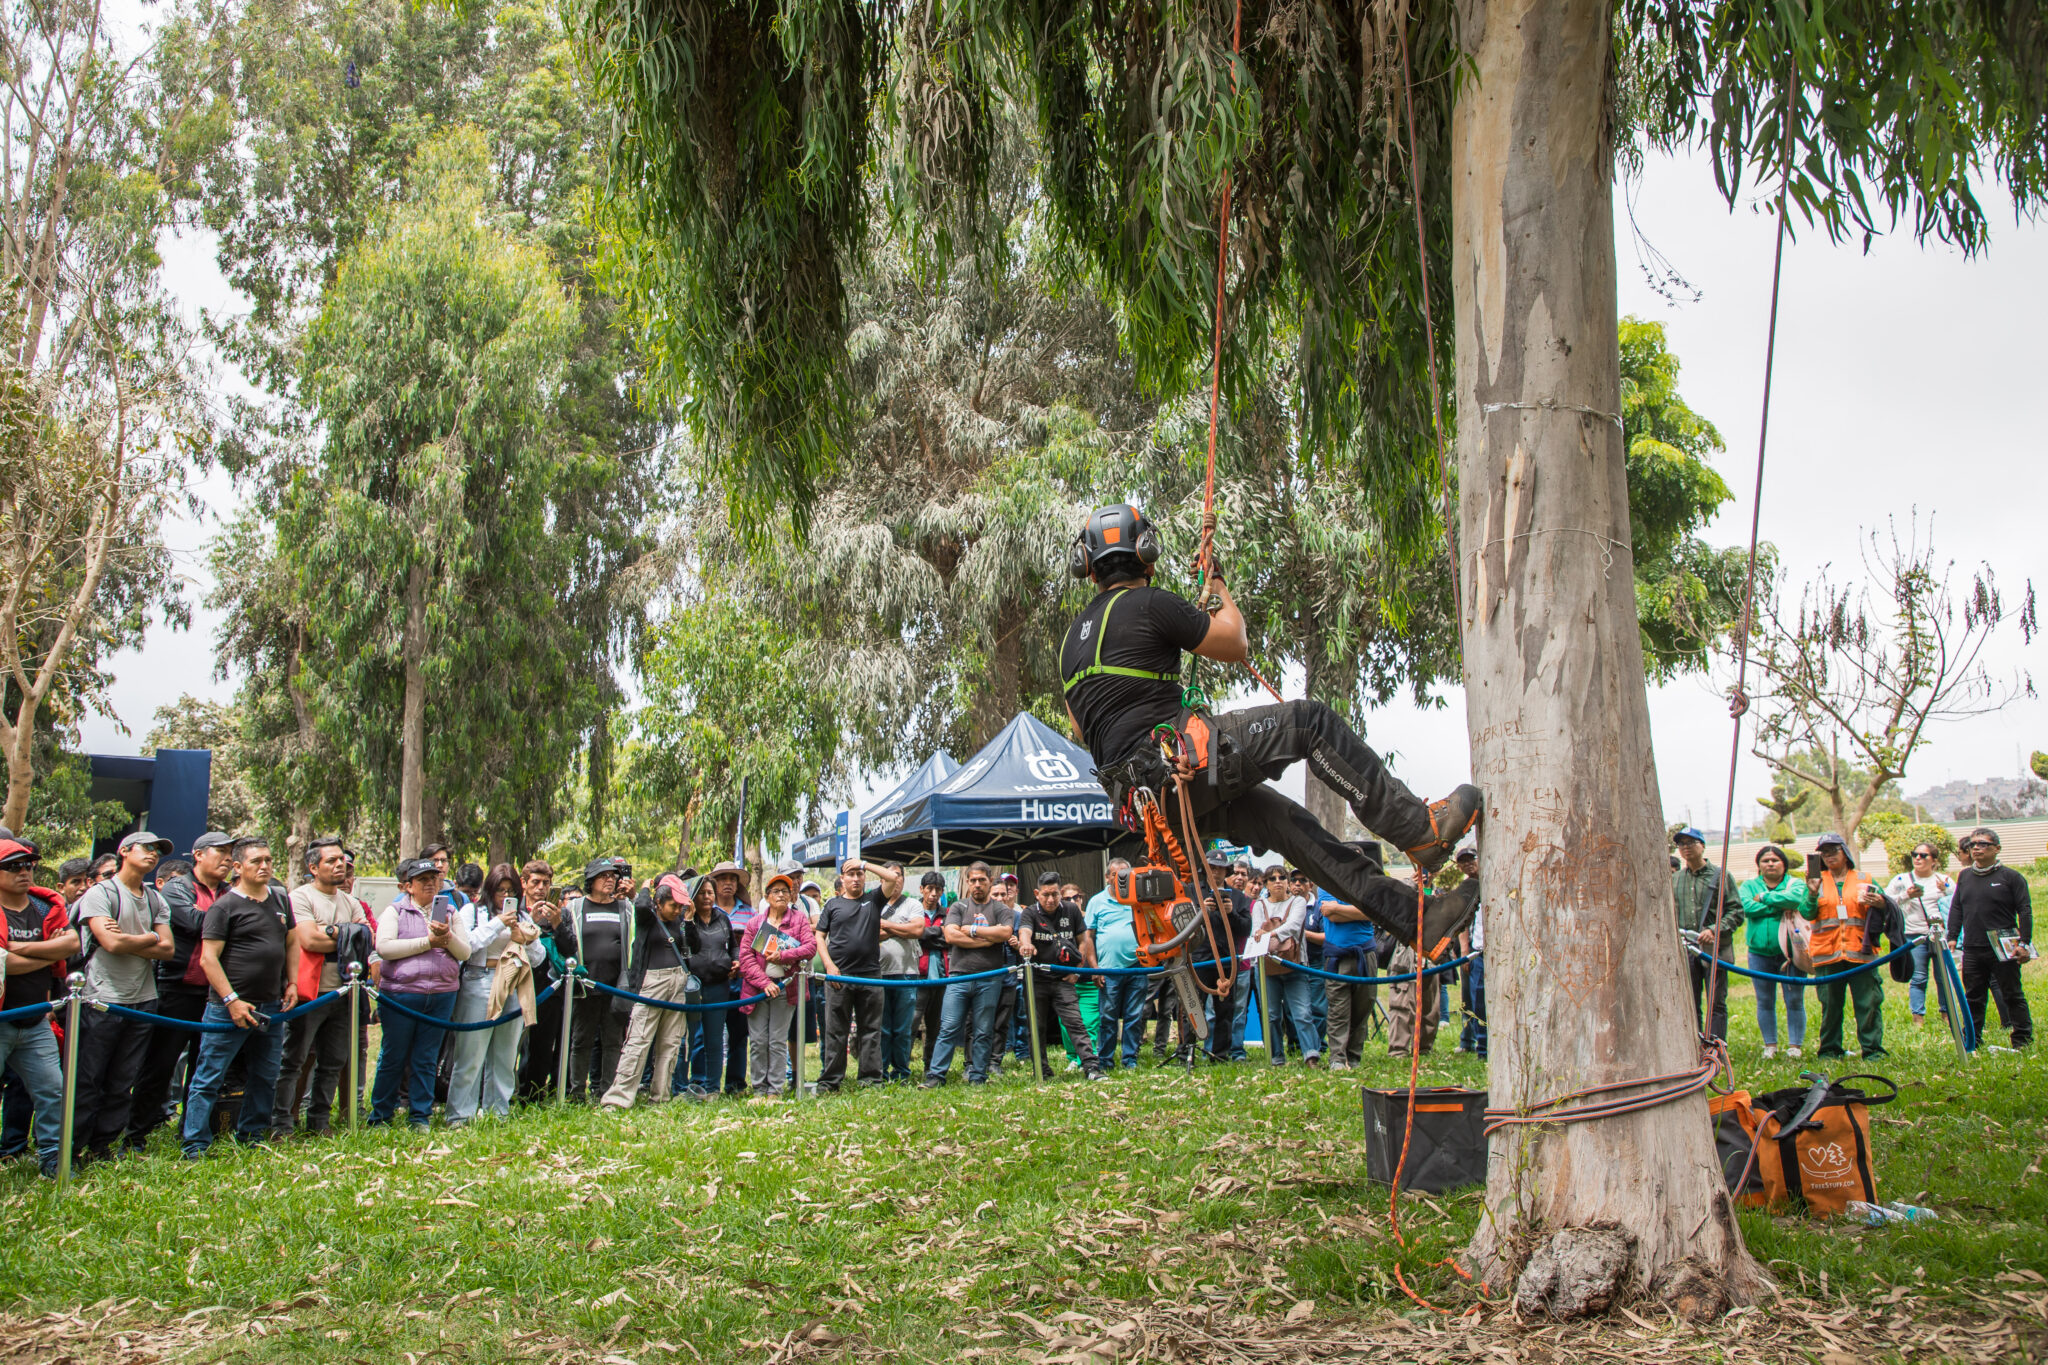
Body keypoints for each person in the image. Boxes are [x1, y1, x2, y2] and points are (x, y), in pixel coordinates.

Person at [1058, 503, 1482, 960]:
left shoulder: (1068, 646)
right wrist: (1216, 583)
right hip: (1183, 768)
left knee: (1291, 828)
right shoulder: (1152, 604)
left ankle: (1420, 921)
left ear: (1088, 565)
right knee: (1309, 721)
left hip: (1153, 807)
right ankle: (1419, 828)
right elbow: (1234, 641)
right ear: (1147, 551)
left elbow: (1085, 727)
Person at [181, 838, 301, 1158]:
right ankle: (195, 1144)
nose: (264, 866)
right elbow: (209, 959)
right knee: (209, 1076)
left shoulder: (279, 899)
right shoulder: (224, 907)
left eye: (268, 860)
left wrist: (292, 982)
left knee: (265, 1076)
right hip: (227, 1007)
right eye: (255, 861)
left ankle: (252, 1135)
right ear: (238, 867)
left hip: (270, 1006)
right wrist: (231, 1000)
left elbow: (291, 942)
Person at [70, 831, 175, 1162]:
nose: (154, 854)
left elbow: (168, 949)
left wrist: (133, 938)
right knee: (87, 1080)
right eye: (147, 847)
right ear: (124, 852)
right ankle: (69, 1149)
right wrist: (148, 939)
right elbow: (110, 944)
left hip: (143, 1001)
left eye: (158, 850)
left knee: (121, 1081)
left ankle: (102, 1147)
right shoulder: (101, 893)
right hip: (100, 998)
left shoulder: (156, 899)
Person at [130, 831, 235, 1150]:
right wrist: (236, 923)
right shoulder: (178, 887)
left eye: (231, 853)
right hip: (177, 989)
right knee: (160, 1066)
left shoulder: (230, 892)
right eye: (221, 851)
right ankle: (136, 1135)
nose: (228, 858)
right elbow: (192, 922)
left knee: (204, 1069)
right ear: (199, 854)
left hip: (216, 994)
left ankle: (191, 1132)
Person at [273, 838, 370, 1136]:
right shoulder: (300, 898)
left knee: (333, 1060)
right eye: (331, 860)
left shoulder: (351, 902)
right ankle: (282, 1124)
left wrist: (331, 932)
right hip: (309, 993)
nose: (339, 864)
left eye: (342, 859)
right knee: (294, 1060)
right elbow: (308, 941)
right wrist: (346, 934)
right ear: (313, 867)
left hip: (344, 993)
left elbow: (366, 939)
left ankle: (319, 1122)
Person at [369, 857, 472, 1127]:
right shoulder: (396, 911)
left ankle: (420, 1115)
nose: (430, 884)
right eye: (423, 880)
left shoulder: (450, 911)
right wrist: (427, 943)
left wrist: (447, 937)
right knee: (393, 1055)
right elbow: (385, 947)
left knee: (426, 1058)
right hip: (401, 995)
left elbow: (465, 952)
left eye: (434, 879)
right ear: (408, 886)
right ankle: (380, 1114)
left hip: (441, 994)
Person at [0, 838, 78, 1177]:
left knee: (54, 1093)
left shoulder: (46, 906)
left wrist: (17, 949)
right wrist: (48, 950)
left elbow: (72, 944)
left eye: (28, 864)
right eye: (14, 866)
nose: (24, 871)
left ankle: (54, 1160)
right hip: (3, 1017)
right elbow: (7, 966)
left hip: (35, 1021)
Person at [448, 863, 544, 1122]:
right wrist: (497, 923)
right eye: (500, 890)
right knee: (471, 1054)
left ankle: (497, 1111)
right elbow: (466, 946)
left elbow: (537, 958)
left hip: (513, 983)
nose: (505, 896)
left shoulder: (523, 916)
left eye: (511, 891)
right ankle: (460, 1115)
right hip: (479, 980)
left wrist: (525, 939)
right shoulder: (473, 911)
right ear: (490, 890)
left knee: (505, 1055)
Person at [1803, 831, 1899, 1061]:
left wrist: (1881, 903)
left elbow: (1887, 908)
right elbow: (1807, 912)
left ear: (1845, 853)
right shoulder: (1814, 880)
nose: (1828, 856)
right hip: (1827, 954)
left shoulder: (1865, 878)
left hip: (1861, 953)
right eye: (1823, 853)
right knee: (1830, 1006)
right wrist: (1812, 891)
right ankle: (1829, 1050)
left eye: (1833, 851)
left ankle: (1873, 1050)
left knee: (1869, 1004)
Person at [602, 874, 695, 1109]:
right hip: (652, 981)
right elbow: (642, 904)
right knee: (639, 1039)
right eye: (672, 905)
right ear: (660, 902)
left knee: (671, 1043)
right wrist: (645, 888)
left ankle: (661, 1096)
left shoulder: (680, 920)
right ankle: (618, 1099)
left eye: (680, 906)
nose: (676, 910)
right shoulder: (647, 916)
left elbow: (695, 947)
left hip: (678, 981)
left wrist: (690, 920)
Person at [920, 863, 1015, 1087]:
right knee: (948, 1027)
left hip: (990, 977)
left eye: (982, 879)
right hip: (959, 977)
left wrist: (972, 930)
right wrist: (987, 939)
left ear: (990, 881)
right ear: (968, 882)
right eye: (973, 880)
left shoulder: (1000, 909)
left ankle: (978, 1076)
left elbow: (1005, 932)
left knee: (983, 1030)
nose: (977, 884)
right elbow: (951, 936)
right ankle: (936, 1075)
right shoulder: (959, 906)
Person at [814, 859, 905, 1092]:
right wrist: (829, 966)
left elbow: (892, 877)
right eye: (850, 874)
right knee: (835, 1031)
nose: (855, 878)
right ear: (842, 879)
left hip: (871, 976)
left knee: (871, 1030)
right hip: (839, 977)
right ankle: (830, 1081)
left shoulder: (873, 900)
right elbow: (819, 937)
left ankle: (871, 1079)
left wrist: (864, 863)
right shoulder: (832, 905)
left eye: (859, 874)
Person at [1945, 827, 2033, 1048]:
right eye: (1973, 844)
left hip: (2004, 945)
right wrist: (1953, 935)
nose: (1976, 848)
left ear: (1997, 849)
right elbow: (1957, 907)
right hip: (1973, 947)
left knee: (2012, 994)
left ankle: (2022, 1039)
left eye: (1983, 844)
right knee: (1973, 997)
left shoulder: (2011, 877)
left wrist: (2024, 944)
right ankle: (1972, 1040)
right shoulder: (1964, 876)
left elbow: (2025, 910)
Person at [554, 858, 634, 1102]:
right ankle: (576, 1092)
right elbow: (566, 942)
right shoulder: (575, 907)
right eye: (604, 876)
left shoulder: (624, 908)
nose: (610, 879)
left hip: (615, 986)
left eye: (613, 876)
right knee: (581, 1040)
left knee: (613, 1041)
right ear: (591, 881)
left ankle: (607, 1091)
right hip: (584, 986)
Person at [1018, 872, 1106, 1080]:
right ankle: (1042, 1070)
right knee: (1036, 1026)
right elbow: (1024, 932)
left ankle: (1091, 1067)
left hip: (1063, 979)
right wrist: (1026, 944)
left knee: (1075, 1022)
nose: (1051, 900)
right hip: (1037, 980)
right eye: (1046, 895)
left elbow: (1082, 940)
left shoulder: (1071, 910)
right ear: (1037, 894)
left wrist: (1077, 968)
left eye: (1055, 894)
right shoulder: (1029, 913)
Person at [736, 871, 815, 1097]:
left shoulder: (799, 920)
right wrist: (763, 983)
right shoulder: (754, 923)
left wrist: (785, 955)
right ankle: (759, 1088)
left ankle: (775, 1089)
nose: (781, 895)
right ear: (767, 896)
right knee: (758, 1041)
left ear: (791, 896)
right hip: (757, 990)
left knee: (777, 1041)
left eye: (786, 891)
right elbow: (746, 958)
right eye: (776, 891)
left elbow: (810, 948)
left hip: (786, 987)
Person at [1737, 844, 1813, 1060]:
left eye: (1775, 860)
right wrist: (1779, 904)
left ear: (1784, 864)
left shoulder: (1795, 883)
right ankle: (1770, 1045)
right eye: (1765, 861)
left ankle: (1794, 1046)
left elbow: (1795, 900)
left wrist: (1764, 899)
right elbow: (1746, 909)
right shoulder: (1749, 885)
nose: (1770, 863)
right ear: (1759, 865)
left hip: (1792, 953)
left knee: (1795, 999)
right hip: (1759, 953)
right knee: (1764, 999)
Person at [1318, 844, 1383, 1071]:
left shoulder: (1369, 885)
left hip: (1365, 954)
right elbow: (1329, 914)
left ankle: (1353, 1057)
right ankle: (1337, 1058)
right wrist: (1359, 910)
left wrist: (1340, 908)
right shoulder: (1326, 882)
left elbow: (1376, 912)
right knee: (1338, 1009)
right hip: (1337, 955)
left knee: (1363, 1007)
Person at [1671, 826, 1737, 1041]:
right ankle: (1696, 1044)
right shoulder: (1675, 879)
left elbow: (1736, 911)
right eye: (1681, 844)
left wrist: (1714, 930)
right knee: (1690, 1000)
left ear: (1702, 846)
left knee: (1716, 1001)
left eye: (1691, 843)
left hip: (1713, 949)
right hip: (1686, 949)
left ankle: (1715, 1046)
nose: (1686, 847)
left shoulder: (1720, 876)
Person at [679, 874, 738, 1098]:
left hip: (719, 985)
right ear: (694, 895)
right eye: (702, 893)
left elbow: (733, 946)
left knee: (715, 1039)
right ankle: (683, 1086)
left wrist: (736, 960)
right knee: (689, 1038)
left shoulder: (723, 919)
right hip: (693, 986)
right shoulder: (686, 920)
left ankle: (713, 1087)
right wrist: (688, 920)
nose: (707, 897)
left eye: (710, 892)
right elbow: (686, 948)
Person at [1084, 859, 1146, 1069]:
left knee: (1134, 1016)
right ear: (1108, 877)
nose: (1121, 879)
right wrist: (1095, 968)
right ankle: (1105, 1060)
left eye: (1125, 875)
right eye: (1116, 875)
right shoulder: (1097, 901)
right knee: (1108, 1017)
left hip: (1138, 967)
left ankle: (1130, 1059)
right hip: (1108, 969)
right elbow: (1088, 937)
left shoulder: (1138, 898)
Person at [1255, 871, 1320, 1067]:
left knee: (1302, 1013)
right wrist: (1265, 934)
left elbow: (1293, 926)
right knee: (1272, 1014)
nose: (1278, 882)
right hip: (1267, 966)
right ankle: (1276, 1057)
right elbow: (1255, 931)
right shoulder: (1259, 905)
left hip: (1295, 964)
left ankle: (1311, 1055)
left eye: (1282, 878)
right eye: (1272, 879)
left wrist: (1269, 933)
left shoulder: (1298, 902)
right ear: (1266, 884)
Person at [1194, 849, 1253, 1063]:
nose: (1216, 872)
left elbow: (1246, 929)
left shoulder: (1238, 897)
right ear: (1204, 869)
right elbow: (1181, 924)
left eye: (1220, 868)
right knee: (1193, 1007)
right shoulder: (1193, 892)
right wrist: (1201, 911)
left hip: (1227, 961)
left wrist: (1231, 913)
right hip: (1200, 959)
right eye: (1212, 867)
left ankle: (1219, 1054)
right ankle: (1187, 1050)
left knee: (1226, 1009)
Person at [1887, 842, 1954, 1025]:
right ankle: (1918, 1017)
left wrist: (1945, 890)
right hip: (1913, 935)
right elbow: (1887, 902)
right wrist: (1907, 895)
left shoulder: (1943, 880)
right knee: (1918, 977)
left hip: (1939, 935)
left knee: (1943, 977)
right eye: (1915, 854)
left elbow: (1956, 903)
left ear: (1934, 861)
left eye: (1923, 855)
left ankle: (1948, 1015)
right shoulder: (1901, 880)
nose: (1917, 858)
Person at [514, 860, 564, 1103]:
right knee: (512, 1043)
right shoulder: (515, 910)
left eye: (546, 883)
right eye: (535, 882)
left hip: (548, 987)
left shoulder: (558, 912)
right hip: (516, 983)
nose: (540, 888)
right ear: (523, 884)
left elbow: (569, 948)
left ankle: (531, 1094)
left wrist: (557, 924)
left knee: (542, 1045)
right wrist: (530, 922)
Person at [706, 862, 756, 1095]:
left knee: (739, 1035)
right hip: (713, 982)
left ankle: (736, 1084)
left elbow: (756, 945)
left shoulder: (750, 912)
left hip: (742, 982)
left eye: (732, 879)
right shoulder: (705, 909)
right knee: (709, 1035)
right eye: (723, 878)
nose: (728, 883)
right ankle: (708, 1082)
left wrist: (741, 964)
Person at [876, 865, 926, 1082]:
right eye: (890, 877)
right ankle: (881, 1070)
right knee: (883, 1028)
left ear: (904, 881)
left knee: (903, 1028)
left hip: (907, 974)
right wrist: (900, 928)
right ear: (881, 881)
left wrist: (885, 926)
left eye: (898, 877)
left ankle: (902, 1072)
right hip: (879, 974)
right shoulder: (874, 905)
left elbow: (917, 930)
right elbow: (869, 934)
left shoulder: (913, 904)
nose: (895, 881)